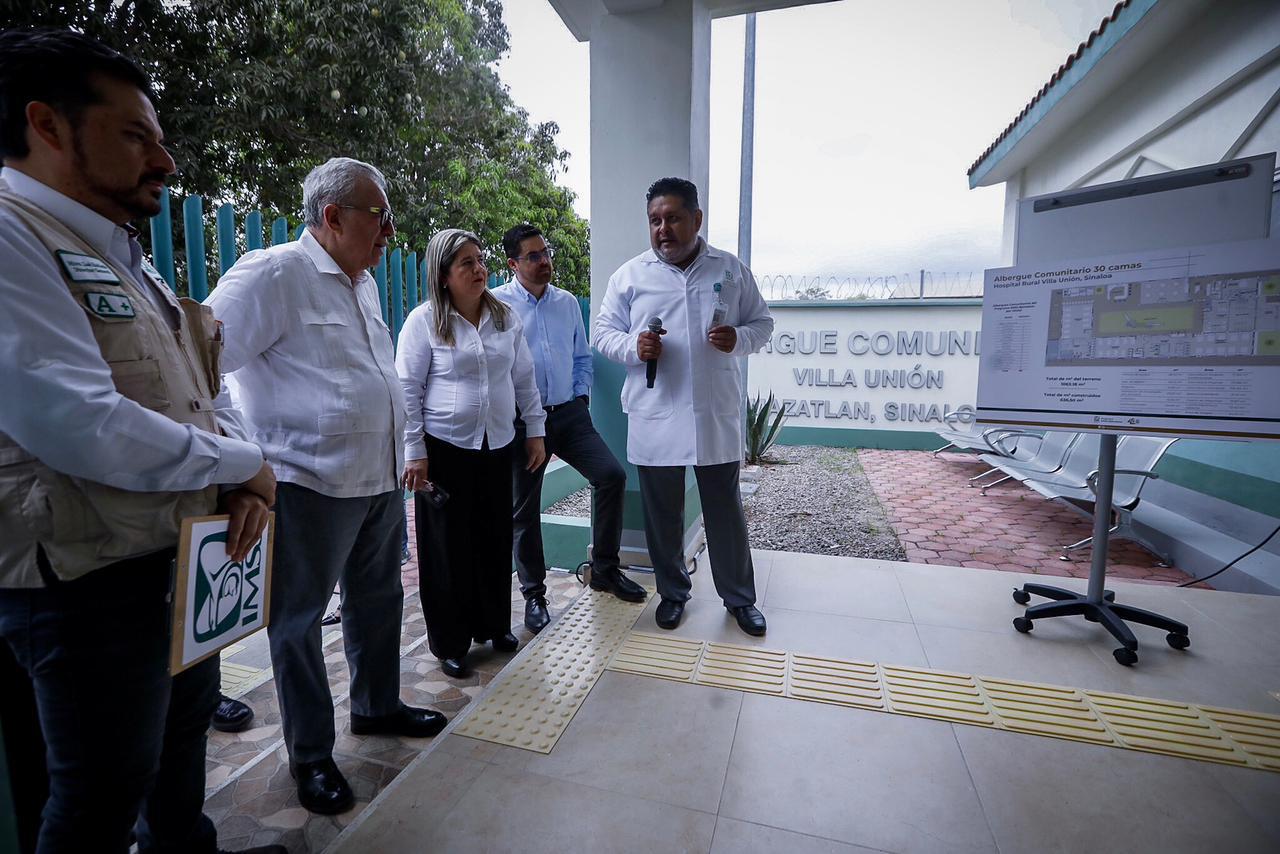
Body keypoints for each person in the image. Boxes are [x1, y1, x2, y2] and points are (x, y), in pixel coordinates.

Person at [0, 28, 282, 854]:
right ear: (47, 125)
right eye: (136, 136)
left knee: (179, 739)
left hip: (169, 554)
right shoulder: (12, 237)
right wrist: (248, 464)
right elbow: (80, 424)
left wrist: (238, 469)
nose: (163, 161)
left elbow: (201, 388)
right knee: (100, 792)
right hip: (84, 579)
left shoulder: (120, 252)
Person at [205, 157, 446, 816]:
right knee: (298, 622)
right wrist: (245, 456)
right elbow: (200, 362)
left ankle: (375, 705)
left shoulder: (360, 281)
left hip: (375, 479)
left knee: (378, 600)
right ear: (334, 217)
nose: (391, 231)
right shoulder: (272, 273)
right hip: (305, 482)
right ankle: (310, 754)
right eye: (380, 216)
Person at [593, 177, 774, 637]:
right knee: (662, 515)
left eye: (673, 218)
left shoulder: (730, 270)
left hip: (713, 415)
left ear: (696, 218)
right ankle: (673, 594)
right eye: (655, 220)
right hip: (656, 413)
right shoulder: (629, 276)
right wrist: (637, 346)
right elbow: (603, 334)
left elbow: (762, 322)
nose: (663, 229)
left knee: (725, 513)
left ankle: (739, 599)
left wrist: (739, 339)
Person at [397, 229, 547, 677]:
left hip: (497, 443)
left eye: (480, 260)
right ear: (444, 275)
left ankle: (493, 625)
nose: (480, 269)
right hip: (445, 450)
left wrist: (535, 430)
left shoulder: (505, 318)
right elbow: (408, 388)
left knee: (494, 537)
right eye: (467, 263)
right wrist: (414, 451)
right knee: (447, 548)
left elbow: (524, 378)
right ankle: (451, 641)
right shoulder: (423, 321)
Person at [493, 225, 646, 632]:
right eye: (534, 256)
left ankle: (605, 570)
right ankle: (534, 595)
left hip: (569, 415)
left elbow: (582, 357)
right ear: (513, 263)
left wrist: (579, 400)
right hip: (524, 423)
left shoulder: (565, 304)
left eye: (546, 253)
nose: (545, 262)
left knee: (611, 476)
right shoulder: (497, 307)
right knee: (524, 510)